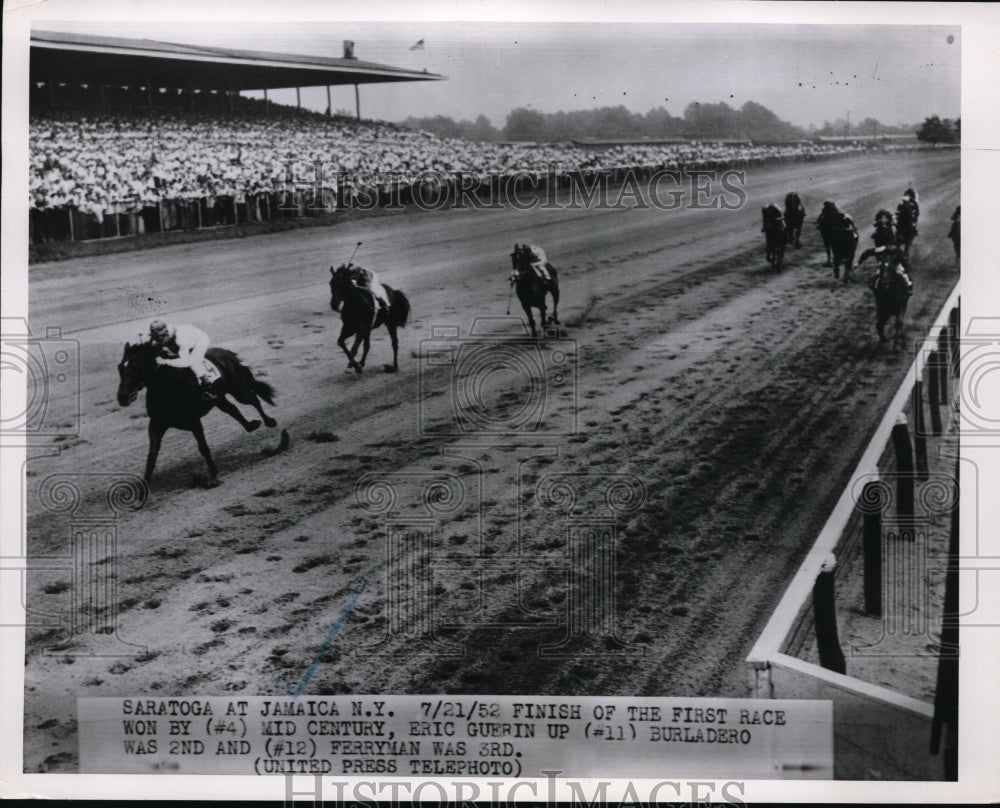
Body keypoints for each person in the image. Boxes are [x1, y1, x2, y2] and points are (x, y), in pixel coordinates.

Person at [148, 320, 219, 399]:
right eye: (155, 337)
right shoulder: (163, 334)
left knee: (193, 363)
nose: (157, 340)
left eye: (159, 338)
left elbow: (185, 362)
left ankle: (210, 389)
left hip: (200, 340)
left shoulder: (180, 339)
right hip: (183, 340)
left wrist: (165, 362)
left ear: (166, 333)